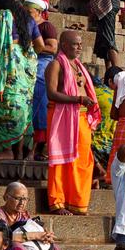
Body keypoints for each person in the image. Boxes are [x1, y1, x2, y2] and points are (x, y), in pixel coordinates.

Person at [45, 31, 99, 216]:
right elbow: (51, 93)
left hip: (81, 118)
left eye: (81, 44)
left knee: (83, 161)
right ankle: (58, 202)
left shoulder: (78, 66)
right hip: (62, 116)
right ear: (64, 45)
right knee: (60, 160)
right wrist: (78, 99)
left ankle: (77, 202)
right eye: (75, 44)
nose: (79, 47)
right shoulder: (55, 64)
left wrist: (84, 102)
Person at [0, 0, 38, 159]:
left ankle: (7, 151)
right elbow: (41, 45)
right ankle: (20, 151)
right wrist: (25, 53)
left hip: (10, 66)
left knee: (6, 105)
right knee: (23, 107)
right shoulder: (29, 19)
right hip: (26, 68)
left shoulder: (3, 16)